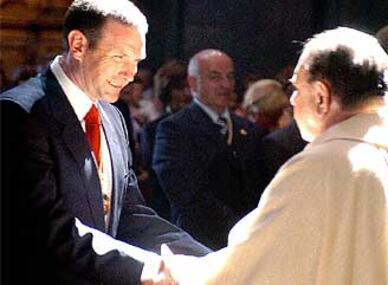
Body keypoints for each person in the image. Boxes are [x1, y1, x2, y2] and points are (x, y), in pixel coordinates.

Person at [162, 27, 388, 284]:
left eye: (296, 88)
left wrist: (181, 272)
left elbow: (253, 263)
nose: (292, 100)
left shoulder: (321, 166)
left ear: (321, 97)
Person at [0, 1, 210, 285]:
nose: (131, 73)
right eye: (120, 56)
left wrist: (207, 260)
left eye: (136, 60)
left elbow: (129, 212)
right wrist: (151, 268)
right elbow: (48, 230)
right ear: (78, 45)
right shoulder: (18, 113)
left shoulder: (112, 116)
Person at [153, 49, 264, 250]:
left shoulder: (249, 130)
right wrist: (239, 231)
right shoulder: (174, 130)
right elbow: (189, 197)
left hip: (249, 244)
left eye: (230, 77)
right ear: (193, 83)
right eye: (215, 77)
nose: (226, 85)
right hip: (200, 245)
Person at [141, 59, 192, 221]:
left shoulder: (208, 126)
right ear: (167, 91)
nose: (187, 94)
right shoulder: (152, 130)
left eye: (189, 87)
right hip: (167, 212)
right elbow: (154, 178)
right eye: (179, 88)